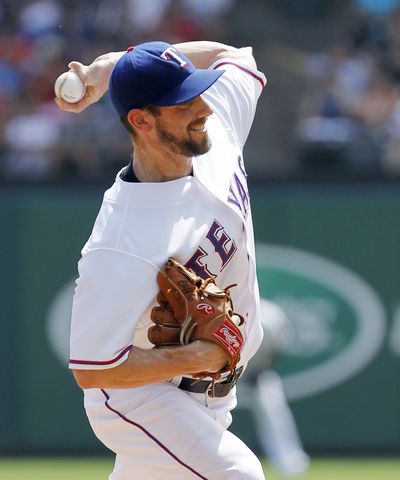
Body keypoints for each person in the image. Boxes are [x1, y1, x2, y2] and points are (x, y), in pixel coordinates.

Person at [57, 40, 266, 480]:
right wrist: (195, 358)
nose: (203, 107)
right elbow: (92, 368)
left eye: (199, 91)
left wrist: (114, 65)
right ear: (141, 120)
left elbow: (236, 56)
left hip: (213, 396)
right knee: (238, 475)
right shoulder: (119, 240)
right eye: (182, 103)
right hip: (140, 399)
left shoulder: (216, 128)